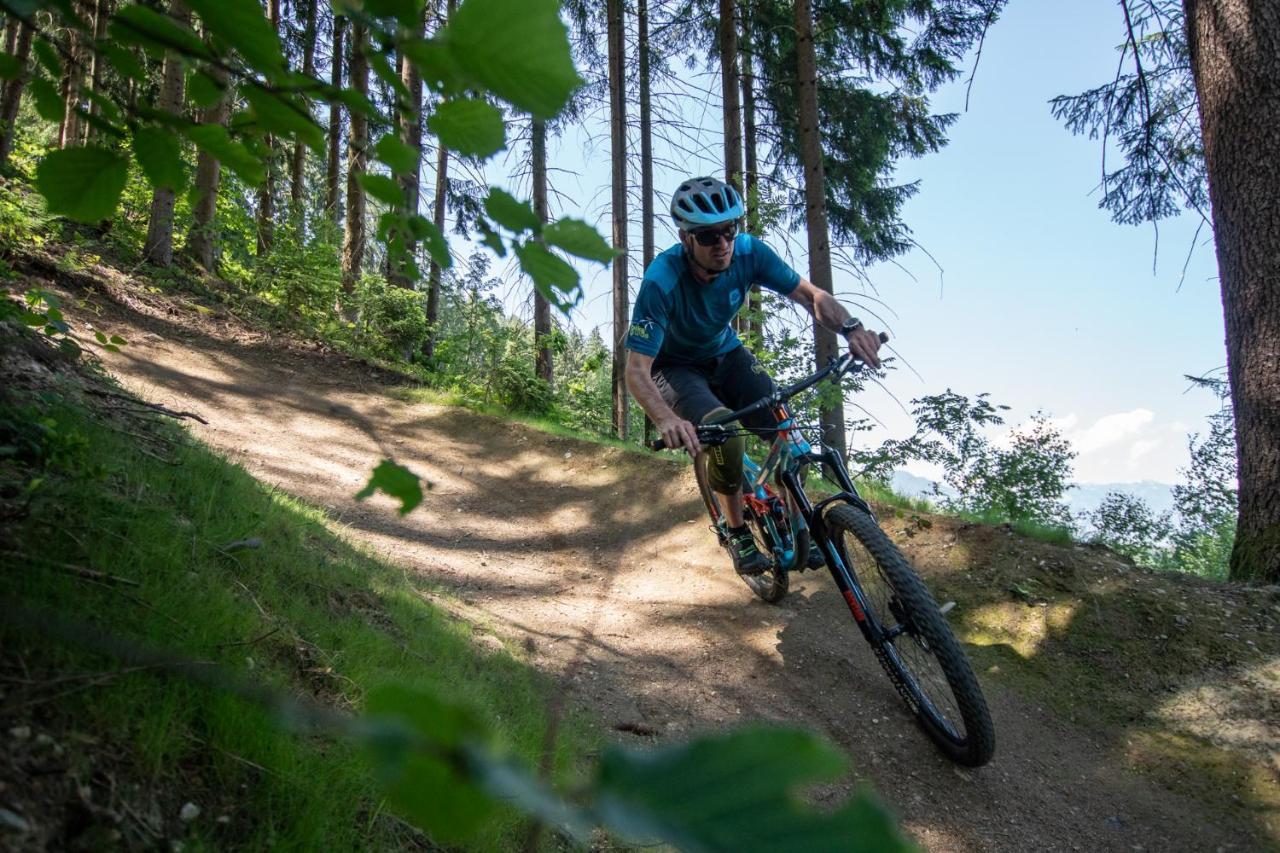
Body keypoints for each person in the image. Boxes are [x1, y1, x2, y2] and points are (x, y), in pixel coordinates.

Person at [624, 176, 885, 575]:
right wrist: (666, 418)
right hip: (673, 367)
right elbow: (637, 370)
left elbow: (810, 295)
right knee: (723, 439)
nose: (722, 244)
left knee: (788, 432)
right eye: (709, 236)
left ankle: (797, 525)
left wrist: (851, 328)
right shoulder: (661, 281)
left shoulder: (749, 254)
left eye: (730, 230)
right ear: (686, 237)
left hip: (725, 353)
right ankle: (736, 531)